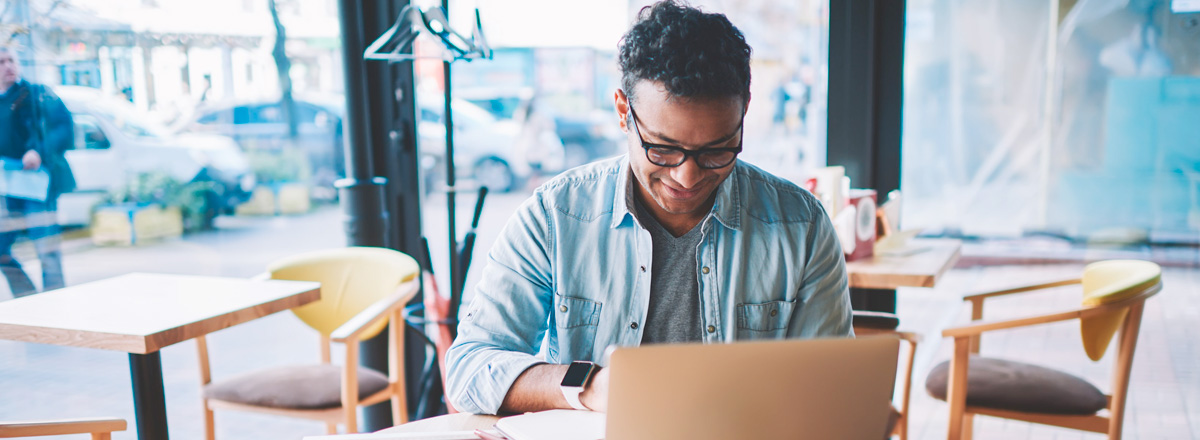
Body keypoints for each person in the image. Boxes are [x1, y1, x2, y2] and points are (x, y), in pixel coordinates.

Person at [445, 1, 851, 415]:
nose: (687, 177)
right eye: (662, 149)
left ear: (744, 112)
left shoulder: (801, 226)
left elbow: (833, 389)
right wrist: (589, 386)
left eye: (716, 151)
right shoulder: (556, 216)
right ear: (624, 112)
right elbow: (471, 366)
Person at [0, 46, 76, 298]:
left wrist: (38, 151)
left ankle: (55, 301)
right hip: (6, 186)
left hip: (37, 185)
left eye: (11, 60)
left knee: (46, 247)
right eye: (1, 62)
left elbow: (63, 128)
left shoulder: (36, 95)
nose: (8, 66)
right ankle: (28, 298)